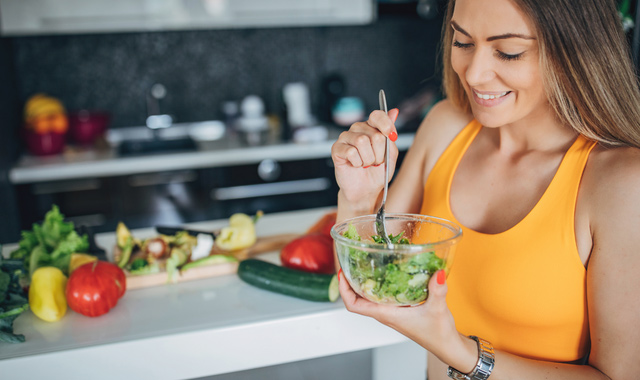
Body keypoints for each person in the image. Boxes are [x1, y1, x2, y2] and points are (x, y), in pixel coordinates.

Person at [330, 0, 640, 378]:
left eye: (508, 52)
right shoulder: (445, 127)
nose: (474, 74)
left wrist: (460, 353)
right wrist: (360, 197)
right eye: (462, 43)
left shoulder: (621, 182)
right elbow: (371, 284)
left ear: (576, 50)